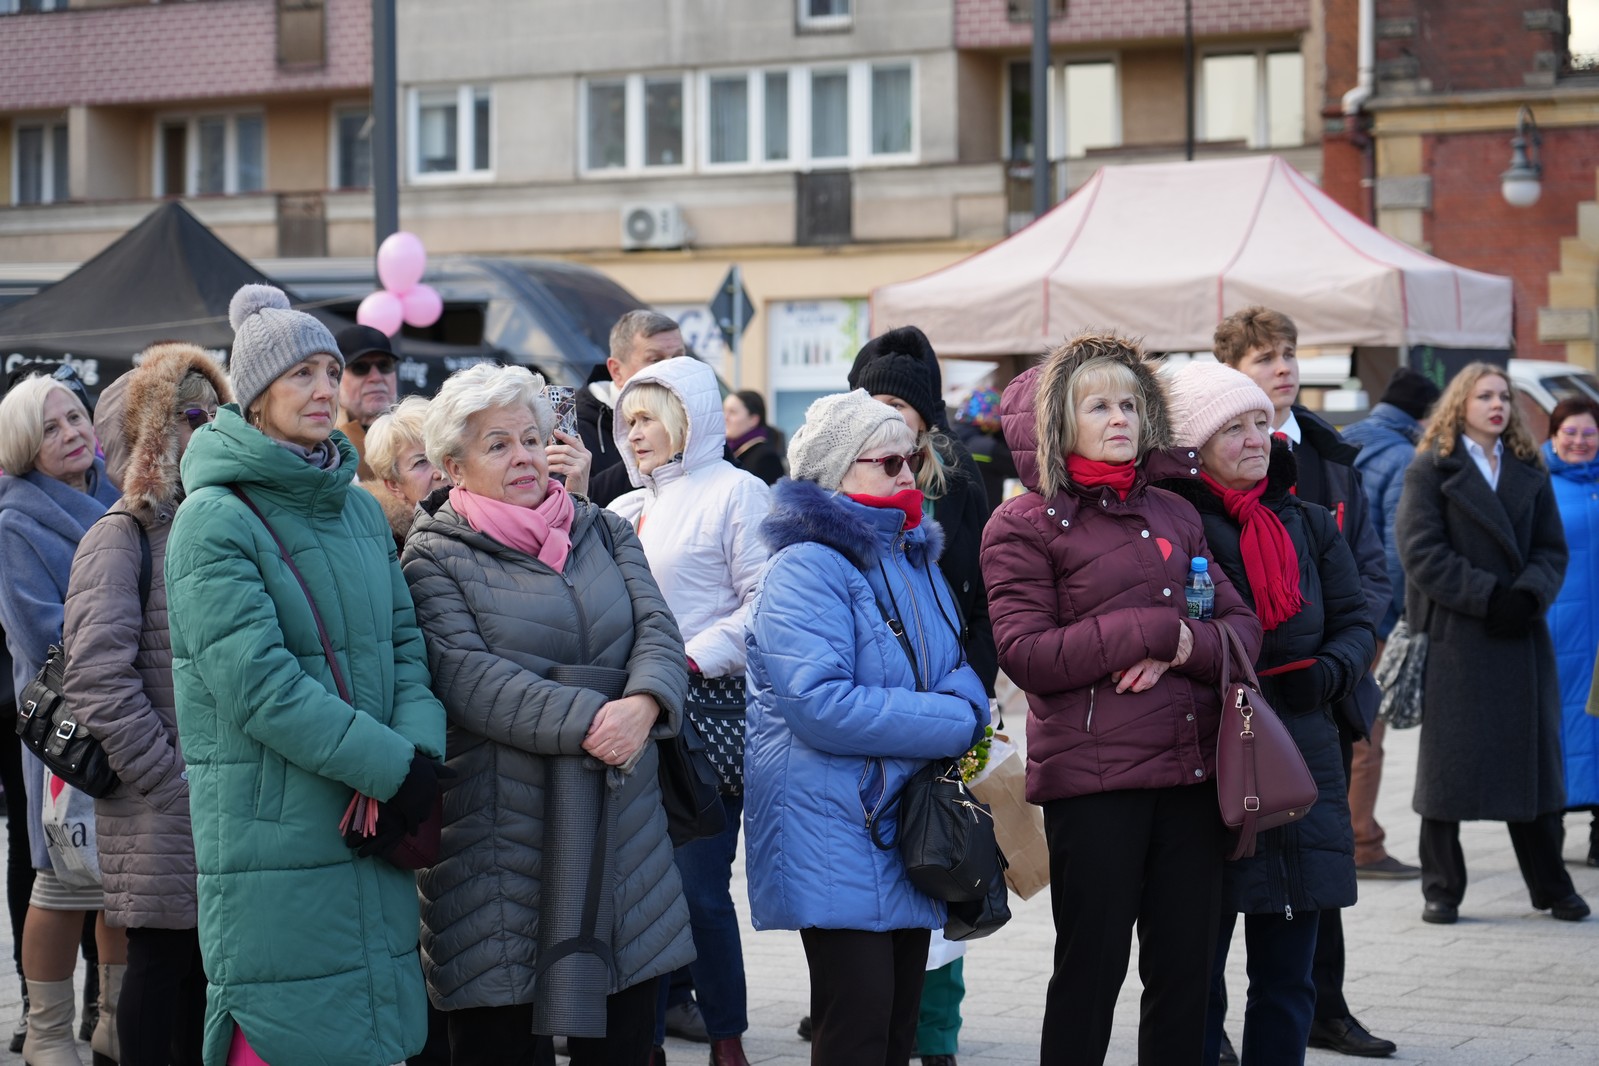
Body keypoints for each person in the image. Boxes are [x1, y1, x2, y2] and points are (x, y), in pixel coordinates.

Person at [164, 285, 449, 1065]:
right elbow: (260, 688)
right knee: (292, 1029)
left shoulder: (358, 510)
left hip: (371, 823)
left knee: (373, 1030)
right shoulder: (213, 518)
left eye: (331, 371)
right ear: (255, 396)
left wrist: (419, 759)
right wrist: (394, 768)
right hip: (276, 835)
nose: (325, 389)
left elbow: (404, 649)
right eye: (302, 375)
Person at [979, 333, 1261, 1066]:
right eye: (1098, 404)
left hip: (1193, 777)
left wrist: (1180, 649)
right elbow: (1026, 654)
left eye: (1130, 403)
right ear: (1056, 424)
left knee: (1185, 976)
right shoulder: (1021, 524)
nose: (1119, 418)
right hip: (1095, 785)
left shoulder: (1176, 512)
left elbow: (1239, 630)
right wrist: (1150, 630)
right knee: (1090, 972)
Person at [401, 362, 693, 1066]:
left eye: (531, 438)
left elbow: (658, 629)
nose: (524, 456)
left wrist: (646, 703)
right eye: (497, 445)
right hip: (498, 842)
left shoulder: (602, 530)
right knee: (500, 1038)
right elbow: (469, 679)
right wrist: (603, 720)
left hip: (620, 831)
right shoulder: (432, 557)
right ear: (453, 466)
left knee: (622, 1038)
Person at [745, 389, 987, 1066]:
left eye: (910, 457)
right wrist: (953, 721)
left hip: (901, 822)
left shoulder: (912, 557)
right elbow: (819, 703)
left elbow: (957, 666)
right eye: (887, 461)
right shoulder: (805, 566)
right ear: (836, 471)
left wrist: (962, 709)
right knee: (855, 1032)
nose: (907, 473)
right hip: (836, 826)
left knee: (894, 1035)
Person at [1157, 361, 1372, 1066]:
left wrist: (1328, 673)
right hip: (1206, 766)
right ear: (1190, 441)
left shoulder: (1306, 522)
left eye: (1260, 422)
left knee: (1286, 978)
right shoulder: (1171, 525)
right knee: (1194, 972)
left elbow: (1354, 621)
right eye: (1233, 427)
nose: (1257, 438)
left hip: (1299, 760)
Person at [1213, 307, 1394, 1060]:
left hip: (1318, 698)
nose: (1283, 368)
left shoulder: (1324, 455)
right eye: (1265, 358)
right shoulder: (1192, 495)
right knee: (1224, 898)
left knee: (1311, 878)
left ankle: (1328, 1007)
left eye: (1289, 355)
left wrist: (1341, 659)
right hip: (1233, 718)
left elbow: (1365, 571)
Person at [62, 343, 231, 1066]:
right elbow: (98, 678)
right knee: (162, 963)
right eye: (191, 414)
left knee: (207, 970)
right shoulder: (121, 535)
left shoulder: (215, 522)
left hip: (216, 797)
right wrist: (171, 783)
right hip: (165, 802)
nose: (211, 426)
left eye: (215, 410)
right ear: (151, 434)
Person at [609, 357, 770, 1066]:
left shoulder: (740, 493)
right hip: (625, 718)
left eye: (647, 417)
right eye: (628, 418)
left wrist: (689, 660)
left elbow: (766, 603)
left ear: (689, 417)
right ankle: (642, 1041)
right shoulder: (621, 509)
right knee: (637, 896)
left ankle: (726, 1038)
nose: (633, 432)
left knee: (700, 891)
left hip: (705, 717)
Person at [847, 325, 995, 1066]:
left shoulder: (958, 481)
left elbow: (978, 604)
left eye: (904, 417)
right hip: (867, 715)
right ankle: (857, 1014)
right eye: (876, 411)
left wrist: (975, 702)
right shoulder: (833, 490)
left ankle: (935, 1033)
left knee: (943, 857)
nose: (892, 433)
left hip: (943, 705)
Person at [1395, 362, 1587, 925]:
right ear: (1461, 403)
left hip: (1521, 637)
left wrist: (1528, 595)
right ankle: (1442, 888)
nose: (1498, 404)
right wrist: (1488, 596)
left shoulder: (1529, 467)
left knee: (1533, 772)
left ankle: (1552, 886)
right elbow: (1420, 550)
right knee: (1446, 776)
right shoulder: (1431, 467)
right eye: (1484, 395)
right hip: (1460, 637)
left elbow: (1552, 549)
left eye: (1504, 395)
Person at [0, 371, 125, 1066]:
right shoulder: (14, 520)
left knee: (121, 884)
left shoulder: (119, 495)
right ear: (24, 443)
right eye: (52, 427)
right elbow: (36, 630)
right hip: (68, 732)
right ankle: (46, 1030)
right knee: (62, 882)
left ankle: (111, 1017)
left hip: (136, 717)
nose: (73, 433)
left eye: (75, 418)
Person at [1340, 368, 1442, 880]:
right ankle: (1362, 842)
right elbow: (1402, 550)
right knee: (1367, 737)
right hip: (1373, 616)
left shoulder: (1346, 439)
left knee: (1346, 731)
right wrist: (1396, 620)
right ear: (1424, 415)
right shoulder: (1404, 458)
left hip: (1336, 609)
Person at [1540, 397, 1599, 866]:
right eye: (1571, 432)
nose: (1580, 442)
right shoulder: (1537, 482)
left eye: (1589, 433)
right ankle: (1549, 837)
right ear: (1555, 434)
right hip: (1558, 627)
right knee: (1557, 727)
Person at [578, 310, 686, 507]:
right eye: (655, 360)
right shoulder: (573, 424)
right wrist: (647, 457)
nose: (671, 371)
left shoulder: (693, 417)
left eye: (678, 358)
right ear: (617, 371)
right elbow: (571, 507)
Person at [363, 396, 448, 546]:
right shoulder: (386, 547)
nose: (440, 472)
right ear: (394, 485)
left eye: (441, 454)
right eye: (421, 462)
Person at [334, 324, 402, 481]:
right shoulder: (322, 445)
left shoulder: (421, 433)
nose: (376, 377)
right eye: (360, 367)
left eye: (384, 365)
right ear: (335, 377)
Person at [951, 387, 1015, 515]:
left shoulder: (947, 439)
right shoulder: (987, 448)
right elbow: (1021, 468)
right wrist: (1003, 433)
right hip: (983, 520)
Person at [722, 390, 785, 486]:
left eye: (732, 412)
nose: (725, 417)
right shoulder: (725, 450)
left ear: (753, 420)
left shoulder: (767, 459)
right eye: (724, 411)